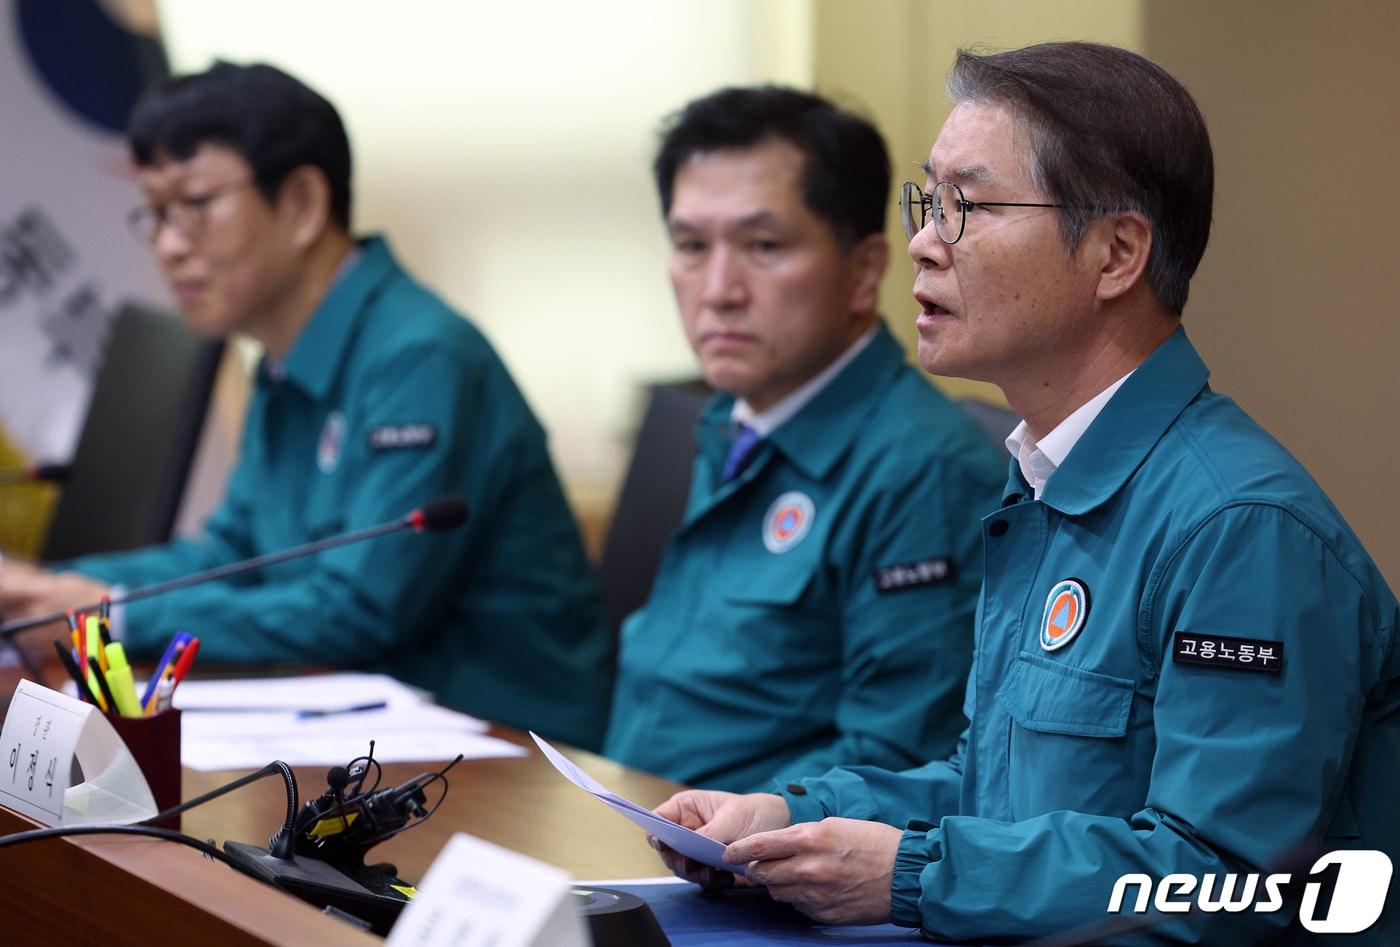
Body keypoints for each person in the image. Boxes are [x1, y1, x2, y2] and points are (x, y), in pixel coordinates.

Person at [651, 43, 1400, 942]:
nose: (925, 243)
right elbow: (993, 786)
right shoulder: (1048, 475)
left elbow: (1218, 879)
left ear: (1117, 253)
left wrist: (917, 873)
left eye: (967, 205)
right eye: (928, 201)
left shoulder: (1241, 526)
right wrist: (791, 811)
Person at [0, 62, 613, 750]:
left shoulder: (420, 358)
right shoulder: (282, 357)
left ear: (301, 203)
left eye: (195, 205)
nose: (169, 245)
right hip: (365, 733)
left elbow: (363, 610)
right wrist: (48, 593)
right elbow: (235, 550)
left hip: (514, 755)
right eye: (157, 213)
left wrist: (115, 613)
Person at [602, 86, 1004, 792]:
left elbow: (893, 757)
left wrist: (701, 832)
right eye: (691, 246)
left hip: (744, 870)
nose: (719, 288)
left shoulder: (923, 470)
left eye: (763, 245)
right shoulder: (735, 418)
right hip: (624, 821)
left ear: (865, 271)